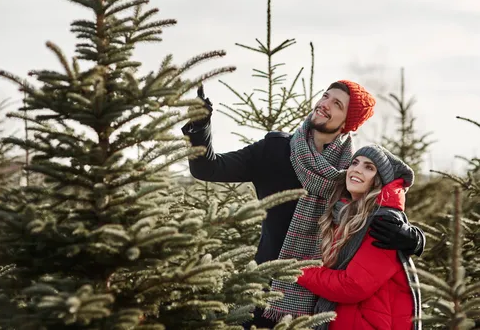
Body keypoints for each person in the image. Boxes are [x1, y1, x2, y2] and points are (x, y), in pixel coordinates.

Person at [181, 80, 425, 328]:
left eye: (336, 104)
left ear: (347, 123)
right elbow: (208, 168)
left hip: (322, 305)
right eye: (325, 96)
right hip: (265, 289)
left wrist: (414, 238)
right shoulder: (274, 150)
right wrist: (200, 126)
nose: (324, 104)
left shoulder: (349, 170)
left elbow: (381, 204)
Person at [294, 144, 422, 330]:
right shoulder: (342, 213)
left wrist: (298, 271)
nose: (356, 169)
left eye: (369, 167)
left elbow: (353, 286)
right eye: (355, 163)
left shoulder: (384, 222)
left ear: (378, 181)